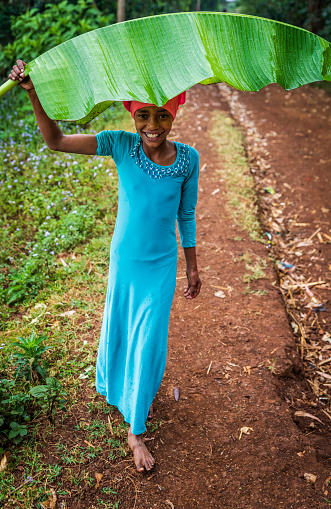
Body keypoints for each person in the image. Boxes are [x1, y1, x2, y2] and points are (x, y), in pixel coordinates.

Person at [9, 59, 202, 473]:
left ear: (175, 114)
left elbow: (186, 215)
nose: (153, 125)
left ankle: (136, 430)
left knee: (150, 335)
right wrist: (31, 93)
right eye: (143, 115)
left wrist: (192, 265)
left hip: (162, 264)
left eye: (163, 115)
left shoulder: (188, 160)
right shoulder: (119, 144)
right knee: (121, 324)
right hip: (126, 260)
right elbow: (56, 141)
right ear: (133, 114)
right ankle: (119, 385)